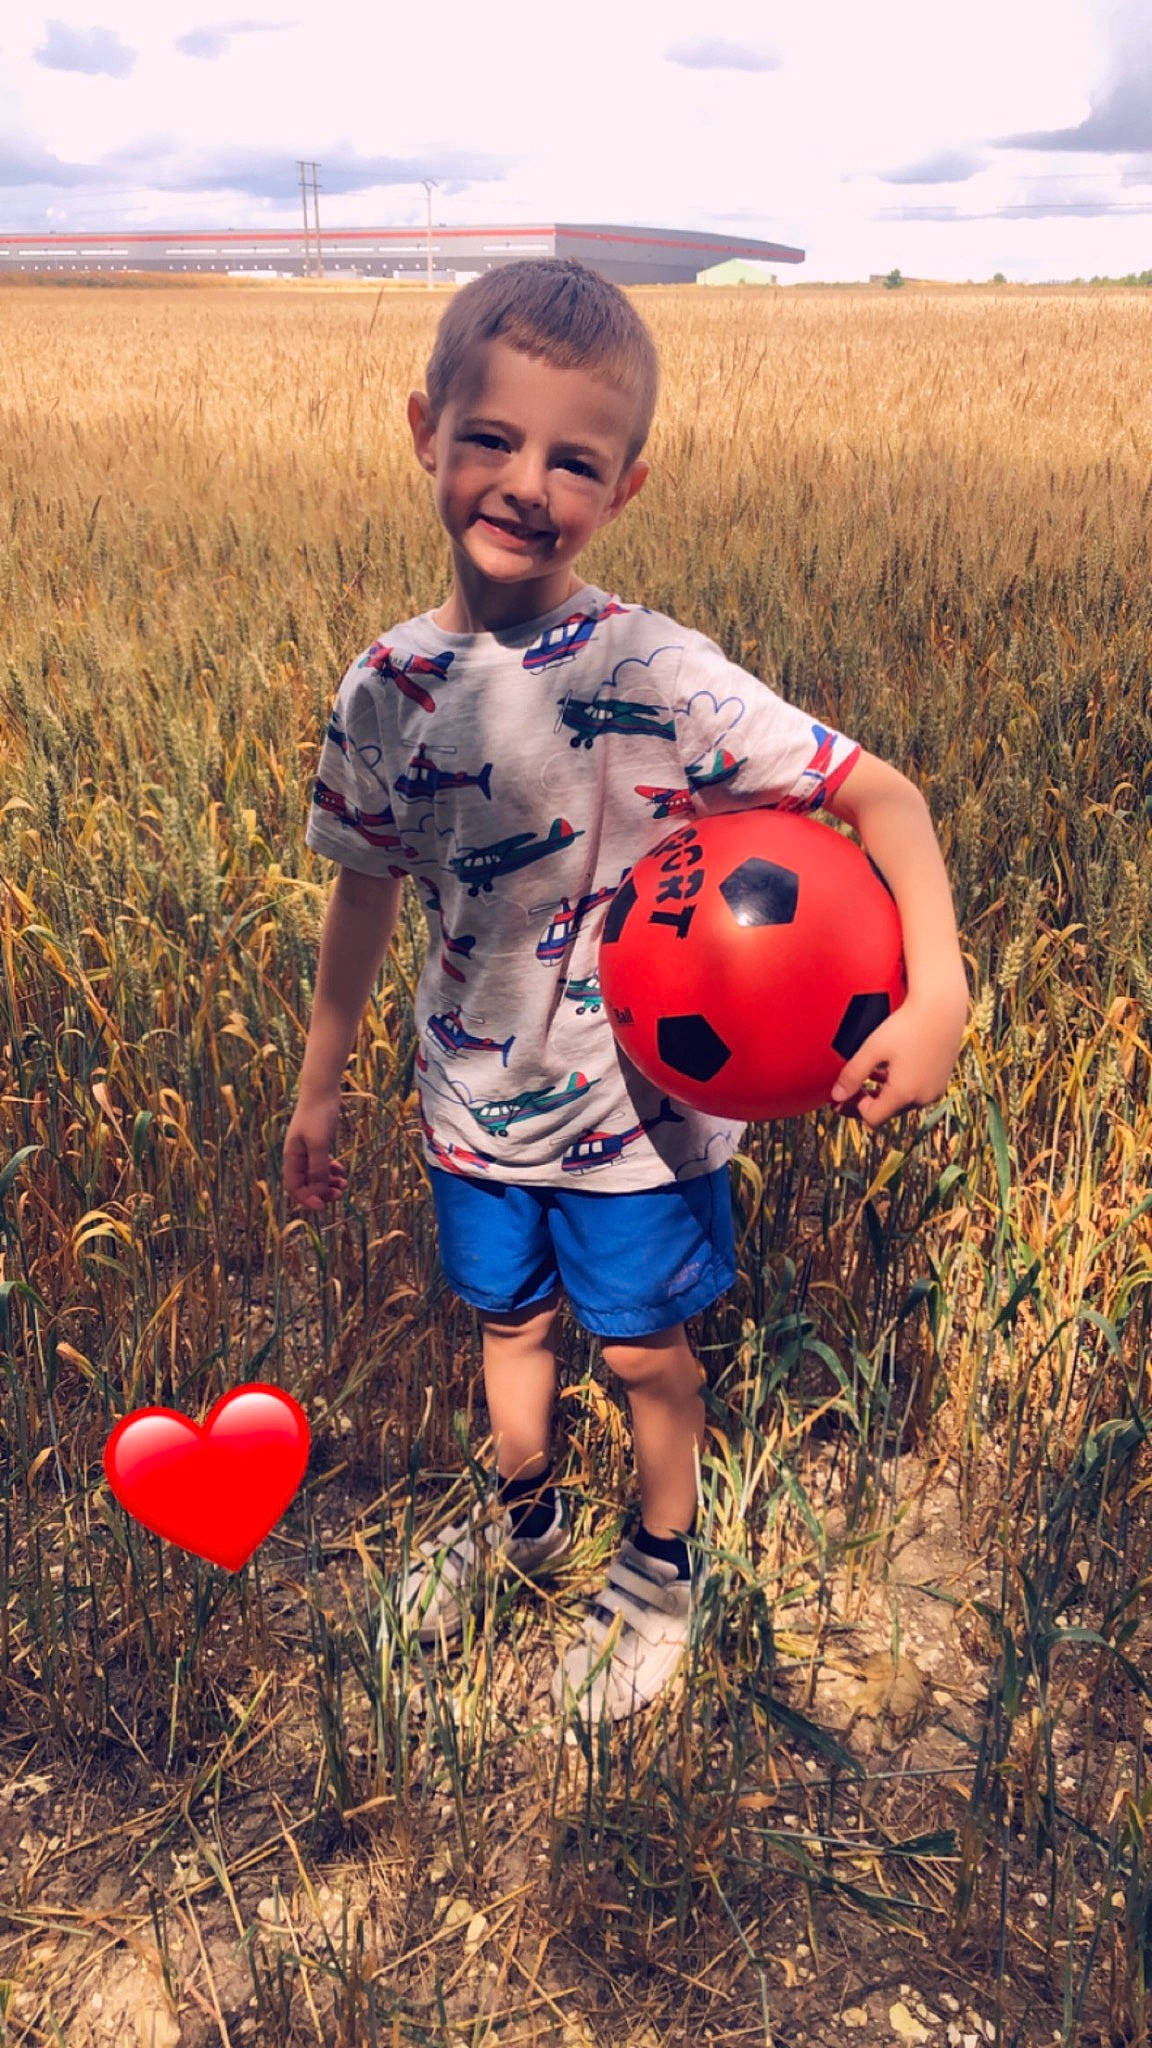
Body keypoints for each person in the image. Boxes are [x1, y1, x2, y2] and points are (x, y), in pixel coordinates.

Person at [283, 260, 969, 1726]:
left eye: (574, 459)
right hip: (467, 1104)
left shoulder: (657, 670)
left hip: (636, 1129)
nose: (526, 483)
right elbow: (364, 887)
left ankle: (661, 1567)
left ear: (627, 483)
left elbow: (881, 797)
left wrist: (940, 995)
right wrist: (320, 1080)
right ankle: (523, 1526)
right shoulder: (386, 688)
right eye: (492, 439)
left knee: (646, 1347)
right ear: (425, 428)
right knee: (507, 1330)